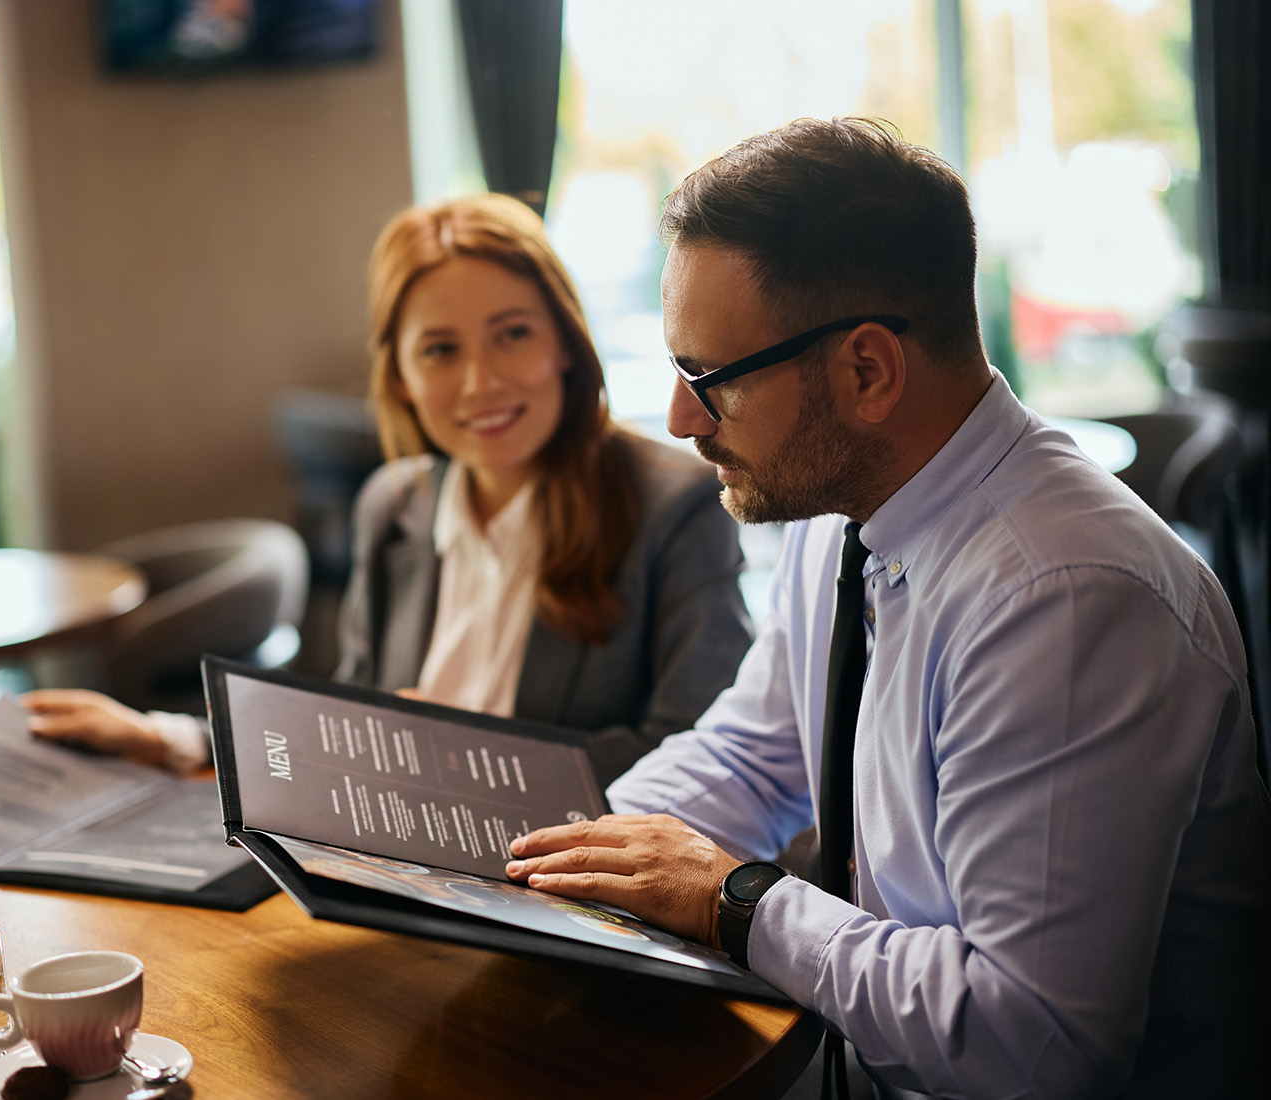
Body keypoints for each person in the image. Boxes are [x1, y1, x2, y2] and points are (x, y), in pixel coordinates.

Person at [503, 118, 1271, 1099]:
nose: (681, 419)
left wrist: (736, 899)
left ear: (865, 370)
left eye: (711, 380)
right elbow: (750, 753)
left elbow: (1029, 1046)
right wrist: (550, 861)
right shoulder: (838, 515)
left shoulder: (1069, 599)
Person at [23, 193, 753, 783]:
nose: (481, 382)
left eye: (512, 334)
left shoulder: (674, 505)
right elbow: (350, 729)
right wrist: (169, 739)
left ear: (564, 340)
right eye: (441, 350)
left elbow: (704, 756)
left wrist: (453, 754)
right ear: (401, 376)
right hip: (407, 873)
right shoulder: (394, 506)